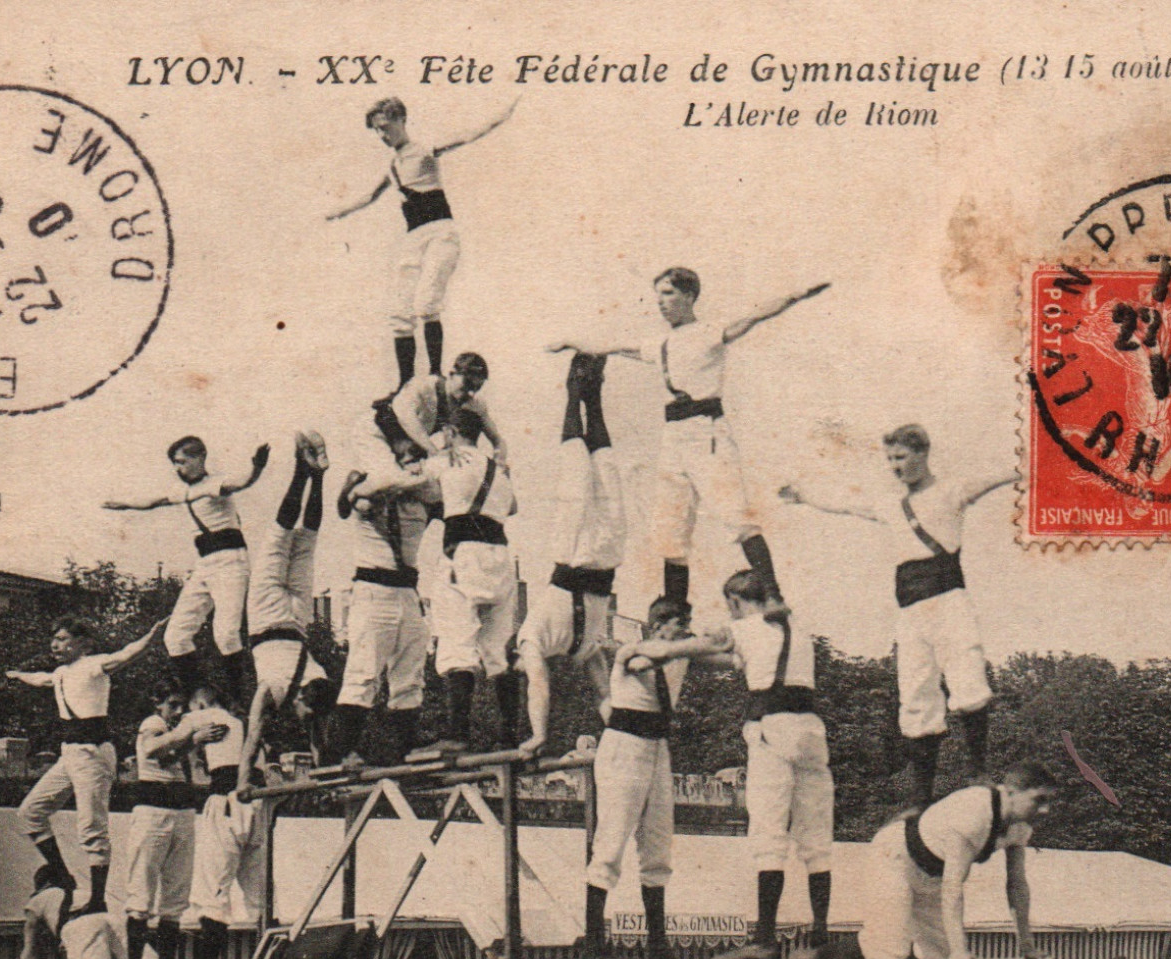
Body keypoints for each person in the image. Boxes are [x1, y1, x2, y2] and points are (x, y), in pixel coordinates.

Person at [550, 269, 829, 604]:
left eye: (668, 294)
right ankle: (677, 615)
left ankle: (773, 596)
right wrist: (569, 342)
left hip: (706, 432)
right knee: (670, 532)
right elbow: (612, 347)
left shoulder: (708, 332)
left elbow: (755, 316)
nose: (661, 303)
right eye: (658, 295)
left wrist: (796, 294)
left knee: (734, 515)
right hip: (673, 438)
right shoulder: (661, 343)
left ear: (689, 295)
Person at [780, 425, 1017, 805]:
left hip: (949, 601)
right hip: (910, 612)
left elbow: (1002, 473)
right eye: (889, 459)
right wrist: (803, 495)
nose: (895, 466)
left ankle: (977, 772)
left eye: (901, 457)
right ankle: (921, 797)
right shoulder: (889, 504)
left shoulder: (951, 491)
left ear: (923, 453)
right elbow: (844, 502)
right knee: (916, 695)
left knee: (969, 683)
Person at [781, 763, 1057, 959]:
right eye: (1038, 800)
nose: (1045, 810)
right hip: (895, 859)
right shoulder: (976, 810)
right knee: (889, 951)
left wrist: (1027, 946)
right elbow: (953, 888)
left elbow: (1016, 885)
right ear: (1010, 792)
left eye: (1049, 801)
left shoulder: (1021, 825)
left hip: (931, 878)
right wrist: (960, 952)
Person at [582, 597, 728, 959]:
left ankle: (657, 948)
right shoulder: (634, 650)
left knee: (658, 846)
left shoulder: (678, 652)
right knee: (611, 843)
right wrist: (701, 642)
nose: (687, 630)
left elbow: (722, 657)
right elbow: (647, 660)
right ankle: (593, 948)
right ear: (660, 626)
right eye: (682, 623)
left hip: (657, 747)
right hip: (624, 744)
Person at [328, 98, 516, 384]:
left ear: (401, 119)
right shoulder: (393, 167)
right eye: (377, 131)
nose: (382, 135)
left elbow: (467, 136)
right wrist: (338, 212)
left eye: (385, 127)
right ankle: (405, 384)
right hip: (413, 236)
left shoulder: (424, 151)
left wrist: (504, 113)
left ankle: (434, 374)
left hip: (440, 232)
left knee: (427, 302)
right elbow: (370, 196)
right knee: (400, 312)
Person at [709, 568, 832, 959]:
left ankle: (764, 936)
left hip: (771, 728)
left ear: (735, 601)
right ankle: (821, 935)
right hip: (811, 731)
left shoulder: (744, 627)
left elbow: (713, 652)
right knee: (817, 841)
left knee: (768, 835)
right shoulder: (797, 627)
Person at [9, 613, 169, 915]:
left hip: (93, 753)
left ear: (82, 644)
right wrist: (17, 675)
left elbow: (127, 655)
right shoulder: (59, 673)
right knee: (30, 813)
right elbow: (41, 679)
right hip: (69, 755)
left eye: (62, 638)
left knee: (91, 828)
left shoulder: (95, 665)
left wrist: (152, 635)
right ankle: (62, 875)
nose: (54, 644)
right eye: (54, 638)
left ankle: (98, 899)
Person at [103, 437, 269, 698]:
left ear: (200, 457)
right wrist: (123, 504)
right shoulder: (181, 490)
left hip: (230, 563)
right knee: (176, 637)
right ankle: (198, 695)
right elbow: (153, 502)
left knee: (226, 635)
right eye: (174, 464)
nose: (178, 469)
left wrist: (257, 467)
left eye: (182, 462)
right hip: (204, 565)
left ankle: (240, 698)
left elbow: (241, 482)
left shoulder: (214, 483)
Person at [517, 353, 624, 754]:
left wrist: (540, 735)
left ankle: (573, 390)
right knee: (604, 466)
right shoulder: (586, 650)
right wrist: (622, 732)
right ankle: (593, 396)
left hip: (577, 554)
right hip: (605, 555)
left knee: (578, 468)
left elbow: (538, 685)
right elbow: (605, 694)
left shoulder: (530, 639)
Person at [324, 441, 433, 766]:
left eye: (419, 460)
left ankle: (405, 748)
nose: (415, 466)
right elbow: (347, 504)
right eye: (409, 460)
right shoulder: (370, 488)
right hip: (374, 588)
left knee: (410, 673)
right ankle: (341, 751)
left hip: (408, 591)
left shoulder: (423, 495)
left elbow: (442, 496)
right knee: (364, 671)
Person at [237, 431, 338, 775]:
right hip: (268, 619)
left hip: (296, 621)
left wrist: (322, 759)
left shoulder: (319, 680)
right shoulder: (275, 691)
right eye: (305, 712)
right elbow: (252, 736)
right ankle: (302, 468)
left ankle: (317, 474)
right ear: (300, 699)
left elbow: (320, 735)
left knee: (305, 540)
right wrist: (242, 778)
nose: (305, 719)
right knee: (281, 536)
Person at [423, 418, 520, 753]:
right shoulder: (496, 468)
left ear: (450, 433)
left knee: (455, 642)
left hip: (463, 554)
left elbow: (418, 486)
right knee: (498, 649)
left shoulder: (445, 461)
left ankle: (457, 733)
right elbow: (513, 506)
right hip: (501, 556)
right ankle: (509, 735)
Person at [125, 682, 218, 959]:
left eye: (183, 706)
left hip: (182, 813)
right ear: (158, 703)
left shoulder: (180, 731)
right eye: (173, 704)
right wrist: (192, 738)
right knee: (140, 894)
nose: (179, 712)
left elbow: (171, 757)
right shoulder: (154, 724)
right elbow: (155, 751)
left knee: (175, 901)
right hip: (153, 811)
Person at [183, 687, 266, 959]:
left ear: (201, 703)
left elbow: (171, 741)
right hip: (258, 804)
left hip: (227, 802)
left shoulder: (208, 716)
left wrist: (191, 740)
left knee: (213, 891)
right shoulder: (250, 725)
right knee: (259, 894)